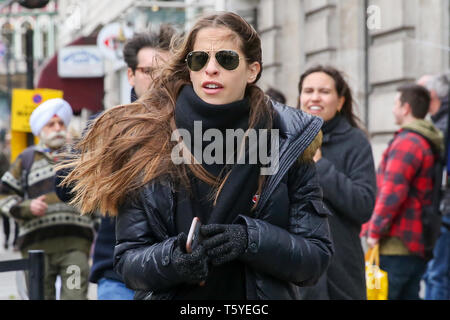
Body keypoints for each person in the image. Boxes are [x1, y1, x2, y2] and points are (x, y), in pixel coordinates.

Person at [58, 12, 333, 300]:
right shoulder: (149, 140)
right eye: (199, 59)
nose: (211, 69)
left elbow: (315, 259)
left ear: (252, 70)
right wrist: (173, 259)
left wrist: (251, 239)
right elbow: (128, 262)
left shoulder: (287, 141)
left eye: (226, 59)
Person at [54, 24, 177, 300]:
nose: (158, 79)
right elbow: (65, 188)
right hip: (117, 273)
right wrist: (98, 161)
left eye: (166, 72)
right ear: (131, 74)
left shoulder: (191, 125)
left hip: (174, 272)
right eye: (149, 71)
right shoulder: (109, 124)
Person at [0, 98, 95, 300]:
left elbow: (96, 197)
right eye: (51, 124)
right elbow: (3, 195)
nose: (57, 128)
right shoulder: (26, 159)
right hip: (36, 251)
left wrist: (95, 233)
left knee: (75, 297)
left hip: (75, 248)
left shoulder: (79, 158)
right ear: (40, 129)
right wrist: (26, 207)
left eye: (61, 123)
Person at [296, 65, 377, 300]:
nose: (314, 97)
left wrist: (320, 165)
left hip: (341, 270)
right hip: (296, 268)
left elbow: (363, 205)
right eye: (308, 90)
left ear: (340, 102)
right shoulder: (285, 137)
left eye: (324, 91)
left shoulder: (356, 141)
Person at [363, 84, 444, 300]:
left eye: (395, 103)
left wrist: (375, 230)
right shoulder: (426, 138)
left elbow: (392, 192)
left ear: (405, 108)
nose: (392, 109)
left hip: (396, 243)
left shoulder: (408, 142)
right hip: (415, 243)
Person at [418, 72, 450, 300]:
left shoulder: (442, 126)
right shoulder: (439, 121)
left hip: (443, 210)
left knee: (436, 274)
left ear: (431, 95)